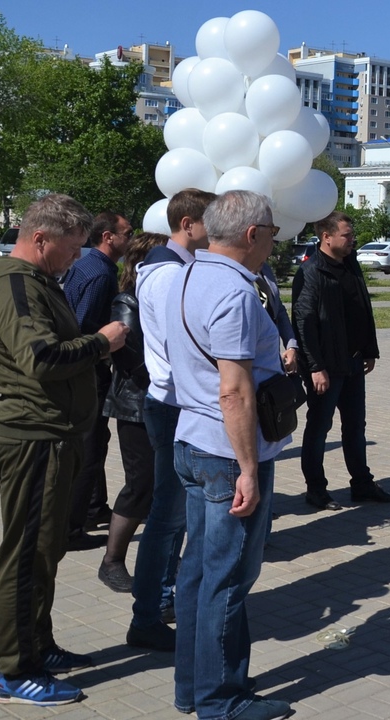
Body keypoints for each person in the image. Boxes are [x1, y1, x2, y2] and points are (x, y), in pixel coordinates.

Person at [0, 194, 128, 706]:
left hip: (52, 435)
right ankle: (16, 671)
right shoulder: (15, 284)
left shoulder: (37, 282)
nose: (76, 258)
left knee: (44, 553)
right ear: (40, 238)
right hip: (32, 437)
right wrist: (101, 342)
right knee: (25, 558)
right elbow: (40, 357)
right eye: (71, 247)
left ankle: (38, 647)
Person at [165, 190, 292, 720]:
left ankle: (195, 685)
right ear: (252, 234)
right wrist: (248, 469)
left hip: (193, 440)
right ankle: (221, 699)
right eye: (272, 233)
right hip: (226, 452)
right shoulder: (235, 291)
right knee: (228, 578)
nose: (274, 244)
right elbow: (234, 391)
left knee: (198, 572)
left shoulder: (186, 275)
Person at [129, 188, 215, 652]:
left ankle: (160, 602)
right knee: (168, 516)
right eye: (210, 222)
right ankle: (147, 614)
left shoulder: (177, 268)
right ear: (187, 225)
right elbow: (180, 344)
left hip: (177, 401)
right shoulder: (167, 274)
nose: (215, 231)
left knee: (174, 516)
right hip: (173, 403)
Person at [293, 211, 390, 510]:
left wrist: (370, 349)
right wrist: (315, 367)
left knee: (355, 426)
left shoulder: (351, 265)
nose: (352, 240)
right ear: (327, 237)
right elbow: (303, 322)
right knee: (319, 426)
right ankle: (316, 489)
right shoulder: (311, 272)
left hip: (354, 362)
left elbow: (362, 309)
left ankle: (361, 483)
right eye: (347, 235)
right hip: (326, 367)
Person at [97, 232, 167, 595]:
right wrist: (167, 375)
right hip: (135, 405)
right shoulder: (128, 300)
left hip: (161, 402)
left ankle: (160, 560)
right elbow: (128, 354)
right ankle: (111, 561)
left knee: (160, 487)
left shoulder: (161, 298)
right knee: (140, 485)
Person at [62, 210, 132, 549]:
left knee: (95, 442)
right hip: (89, 371)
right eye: (127, 233)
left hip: (82, 369)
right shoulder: (101, 275)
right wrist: (104, 349)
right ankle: (73, 528)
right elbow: (83, 326)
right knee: (90, 448)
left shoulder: (88, 264)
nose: (131, 239)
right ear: (108, 237)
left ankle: (93, 507)